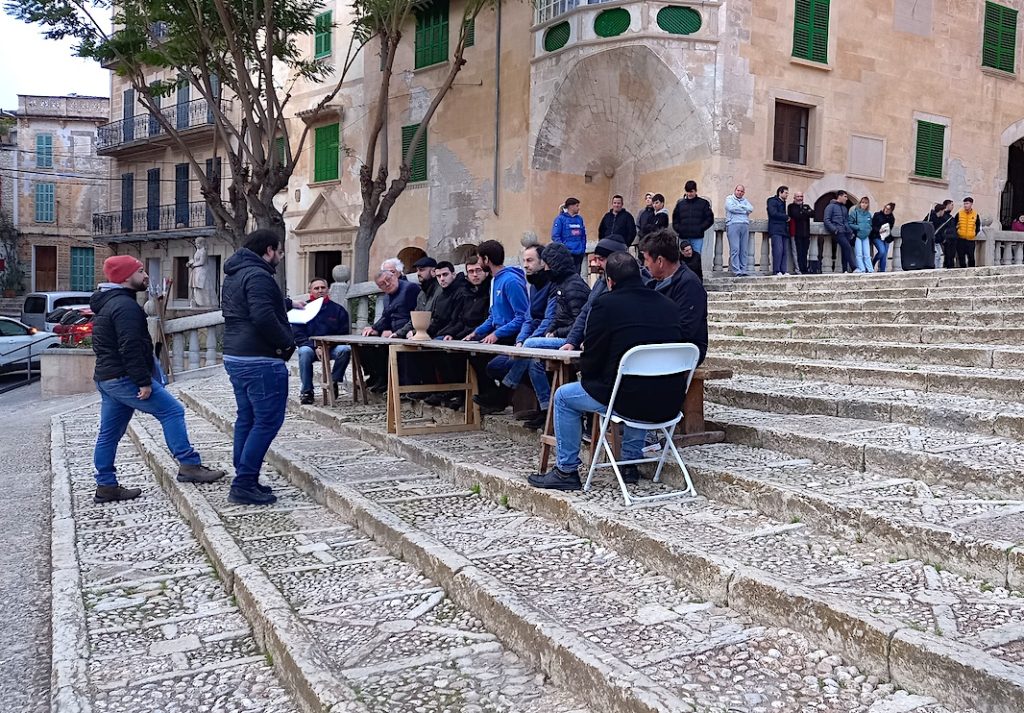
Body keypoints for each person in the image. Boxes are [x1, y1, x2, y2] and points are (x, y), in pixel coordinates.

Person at [528, 252, 686, 491]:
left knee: (563, 397)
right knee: (637, 383)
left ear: (609, 281)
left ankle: (566, 470)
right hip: (669, 402)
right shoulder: (669, 306)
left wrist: (589, 376)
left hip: (626, 399)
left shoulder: (605, 305)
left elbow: (591, 358)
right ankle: (630, 463)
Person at [89, 256, 224, 503]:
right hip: (123, 377)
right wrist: (143, 381)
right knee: (172, 411)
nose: (146, 275)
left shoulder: (109, 303)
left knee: (109, 433)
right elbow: (129, 346)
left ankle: (106, 486)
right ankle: (189, 464)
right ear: (126, 276)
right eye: (140, 271)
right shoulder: (124, 307)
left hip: (108, 377)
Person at [221, 230, 299, 505]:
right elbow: (262, 316)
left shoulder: (234, 274)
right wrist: (288, 344)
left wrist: (287, 304)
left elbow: (245, 308)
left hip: (235, 355)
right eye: (278, 251)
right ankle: (243, 482)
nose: (280, 256)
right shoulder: (259, 276)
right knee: (267, 421)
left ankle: (246, 476)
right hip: (259, 358)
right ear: (268, 250)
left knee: (248, 418)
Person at [494, 242, 589, 429]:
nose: (545, 268)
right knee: (534, 363)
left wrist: (554, 333)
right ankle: (547, 411)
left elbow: (581, 323)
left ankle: (505, 389)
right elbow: (556, 317)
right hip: (561, 336)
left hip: (573, 342)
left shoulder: (574, 286)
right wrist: (549, 331)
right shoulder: (561, 284)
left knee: (530, 345)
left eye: (547, 264)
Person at [477, 243, 550, 413]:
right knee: (478, 358)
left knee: (504, 363)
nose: (525, 265)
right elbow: (528, 318)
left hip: (534, 338)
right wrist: (476, 332)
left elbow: (534, 318)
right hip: (523, 338)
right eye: (524, 260)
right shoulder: (532, 285)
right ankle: (504, 397)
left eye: (530, 260)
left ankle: (504, 396)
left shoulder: (512, 281)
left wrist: (521, 340)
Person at [464, 240, 529, 407]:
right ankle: (491, 396)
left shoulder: (511, 281)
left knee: (491, 364)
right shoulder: (494, 281)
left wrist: (496, 334)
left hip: (512, 336)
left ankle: (500, 397)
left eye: (479, 259)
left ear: (486, 259)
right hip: (500, 333)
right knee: (470, 353)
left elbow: (522, 316)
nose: (478, 262)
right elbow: (493, 315)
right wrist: (477, 332)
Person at [639, 228, 708, 364]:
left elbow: (685, 331)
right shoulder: (652, 283)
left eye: (646, 260)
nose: (645, 265)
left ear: (660, 261)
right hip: (658, 347)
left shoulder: (689, 285)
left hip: (683, 352)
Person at [559, 238, 628, 352]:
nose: (597, 264)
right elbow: (585, 311)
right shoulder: (600, 282)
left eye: (601, 259)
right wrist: (571, 341)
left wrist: (593, 342)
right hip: (588, 343)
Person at [359, 269, 421, 392]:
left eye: (389, 280)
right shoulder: (387, 297)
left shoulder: (410, 289)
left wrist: (400, 332)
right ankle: (376, 376)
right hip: (394, 331)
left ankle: (388, 380)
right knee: (364, 344)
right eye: (382, 284)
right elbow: (386, 317)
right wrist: (374, 328)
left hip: (408, 331)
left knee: (383, 346)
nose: (387, 284)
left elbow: (416, 313)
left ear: (395, 276)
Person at [293, 278, 351, 405]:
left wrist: (327, 346)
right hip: (311, 348)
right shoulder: (302, 309)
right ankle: (307, 391)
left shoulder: (338, 310)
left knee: (345, 350)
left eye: (323, 288)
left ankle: (334, 382)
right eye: (316, 288)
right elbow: (298, 334)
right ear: (310, 291)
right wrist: (315, 346)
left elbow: (344, 334)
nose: (320, 291)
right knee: (304, 352)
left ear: (328, 289)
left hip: (332, 348)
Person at [394, 256, 440, 338]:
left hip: (437, 335)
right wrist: (399, 333)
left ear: (433, 271)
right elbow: (415, 318)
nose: (418, 273)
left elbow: (438, 320)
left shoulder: (440, 291)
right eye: (417, 270)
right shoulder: (422, 293)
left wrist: (415, 333)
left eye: (422, 270)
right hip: (422, 335)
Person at [671, 180, 714, 255]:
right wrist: (679, 229)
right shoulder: (680, 204)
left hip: (697, 237)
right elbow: (675, 220)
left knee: (696, 258)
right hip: (683, 236)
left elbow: (709, 219)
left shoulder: (703, 203)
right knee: (683, 259)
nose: (689, 194)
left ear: (695, 190)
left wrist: (700, 228)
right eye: (687, 192)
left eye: (691, 191)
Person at [551, 197, 587, 274]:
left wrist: (583, 249)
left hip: (578, 253)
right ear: (571, 206)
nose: (579, 208)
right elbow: (555, 236)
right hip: (567, 254)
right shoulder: (560, 219)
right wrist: (563, 250)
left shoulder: (580, 219)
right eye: (577, 206)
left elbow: (583, 236)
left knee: (577, 275)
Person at [725, 185, 754, 276]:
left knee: (744, 249)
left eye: (741, 191)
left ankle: (743, 270)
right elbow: (731, 208)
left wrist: (739, 206)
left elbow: (751, 209)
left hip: (744, 225)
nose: (739, 192)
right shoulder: (729, 198)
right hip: (733, 224)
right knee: (735, 249)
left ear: (743, 193)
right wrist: (744, 209)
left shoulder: (745, 200)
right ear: (735, 190)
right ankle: (736, 271)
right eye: (738, 190)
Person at [824, 191, 855, 273]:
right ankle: (854, 267)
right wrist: (834, 229)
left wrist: (850, 231)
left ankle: (845, 270)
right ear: (839, 196)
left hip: (846, 232)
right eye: (845, 196)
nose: (846, 199)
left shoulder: (844, 208)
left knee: (845, 249)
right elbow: (826, 220)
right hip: (838, 232)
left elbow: (846, 221)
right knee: (847, 247)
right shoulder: (830, 207)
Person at [788, 191, 814, 274]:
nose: (800, 198)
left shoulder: (806, 206)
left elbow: (813, 214)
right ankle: (799, 270)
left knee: (805, 252)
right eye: (798, 196)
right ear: (794, 197)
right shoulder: (791, 206)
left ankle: (804, 269)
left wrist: (803, 212)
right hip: (796, 233)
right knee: (798, 252)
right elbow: (796, 215)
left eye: (801, 196)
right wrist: (805, 212)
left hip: (806, 233)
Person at [848, 196, 874, 274]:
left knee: (867, 253)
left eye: (866, 203)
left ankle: (870, 269)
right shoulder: (854, 212)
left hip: (866, 236)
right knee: (859, 254)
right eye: (862, 202)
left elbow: (870, 224)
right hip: (858, 235)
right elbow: (850, 223)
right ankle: (861, 268)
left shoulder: (868, 214)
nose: (864, 204)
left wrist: (869, 229)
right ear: (860, 203)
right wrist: (858, 227)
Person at [767, 186, 790, 275]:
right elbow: (773, 213)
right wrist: (786, 217)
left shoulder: (783, 202)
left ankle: (783, 270)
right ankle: (777, 270)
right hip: (776, 229)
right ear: (780, 193)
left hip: (784, 230)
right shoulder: (772, 201)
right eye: (786, 193)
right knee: (778, 250)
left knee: (784, 251)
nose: (787, 195)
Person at [954, 197, 981, 268]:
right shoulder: (959, 214)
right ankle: (962, 270)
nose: (965, 205)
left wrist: (974, 234)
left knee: (971, 257)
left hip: (971, 240)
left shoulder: (975, 215)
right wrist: (957, 233)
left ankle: (972, 271)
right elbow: (954, 224)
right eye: (964, 203)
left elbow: (978, 226)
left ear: (971, 204)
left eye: (967, 203)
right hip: (960, 239)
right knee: (961, 257)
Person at [870, 203, 896, 272]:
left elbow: (890, 227)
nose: (886, 210)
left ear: (891, 210)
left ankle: (882, 271)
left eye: (889, 209)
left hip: (886, 237)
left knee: (884, 256)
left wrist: (885, 230)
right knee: (882, 251)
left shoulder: (891, 218)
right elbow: (872, 225)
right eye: (886, 208)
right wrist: (879, 230)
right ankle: (873, 262)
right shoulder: (877, 214)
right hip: (876, 236)